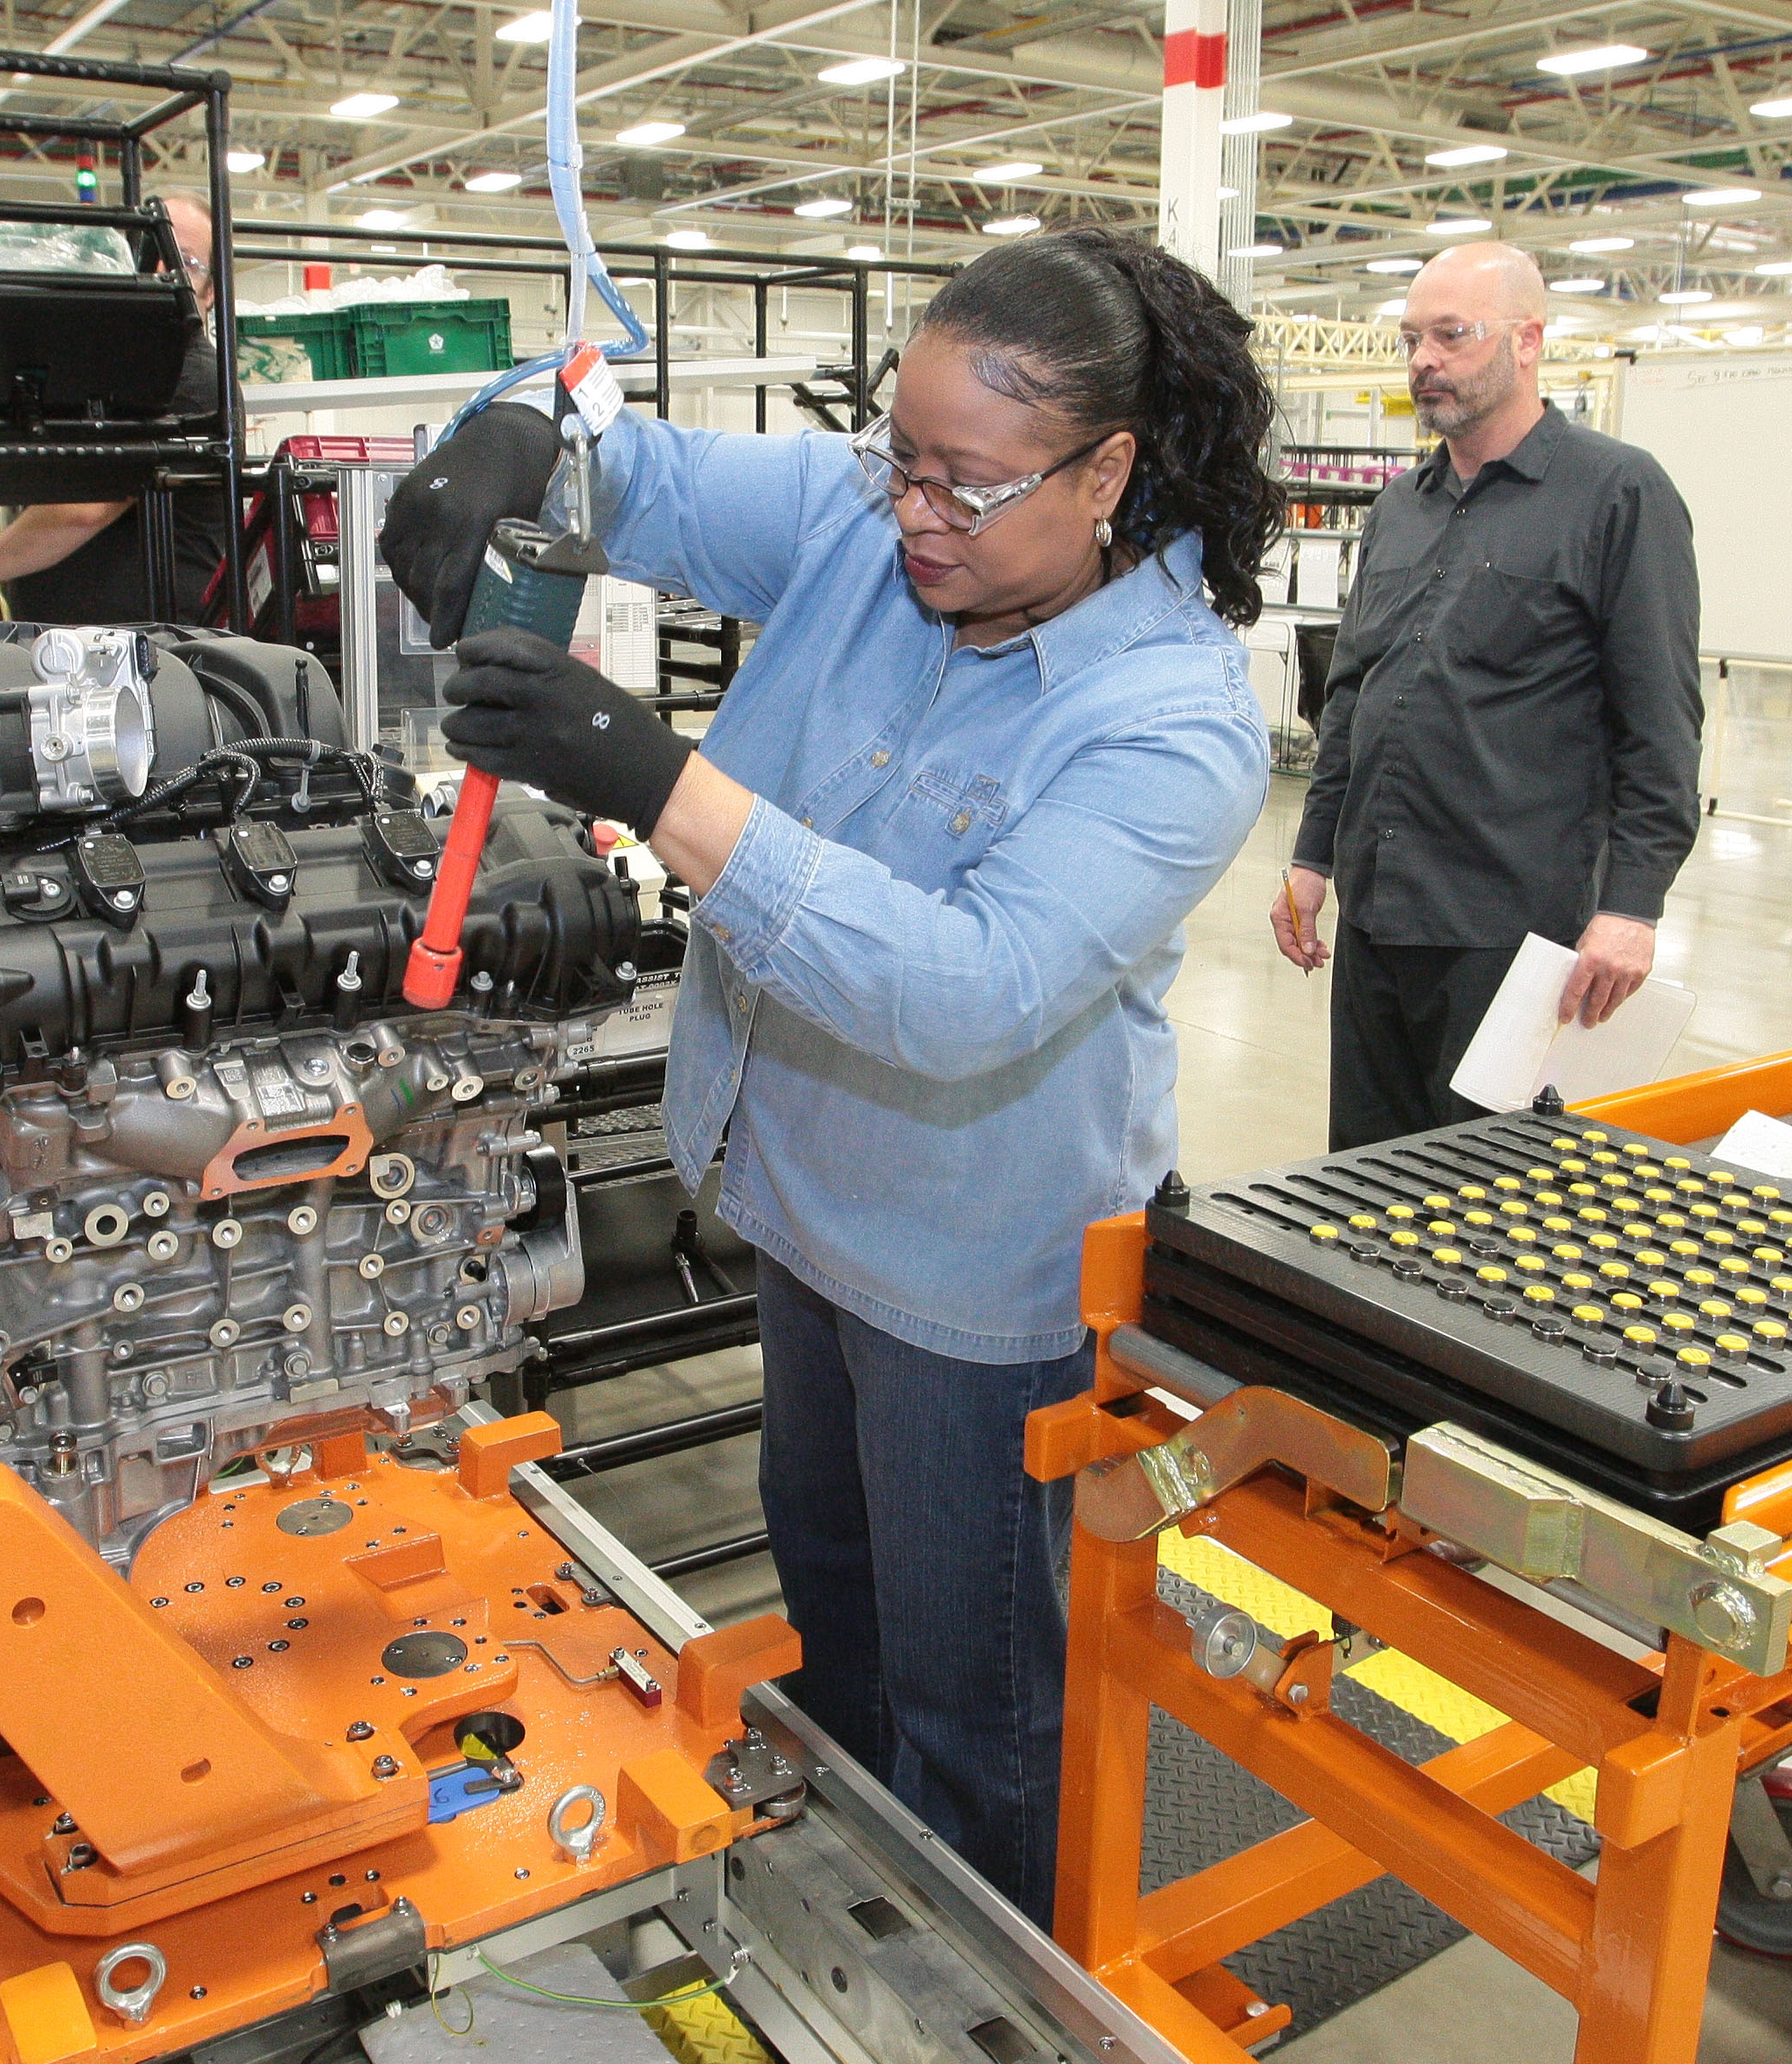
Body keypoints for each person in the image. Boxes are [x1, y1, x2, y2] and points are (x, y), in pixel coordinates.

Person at [379, 226, 1278, 1926]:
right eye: (903, 460)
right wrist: (508, 447)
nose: (916, 511)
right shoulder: (878, 526)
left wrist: (651, 777)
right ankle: (877, 1916)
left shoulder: (1173, 723)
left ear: (1108, 473)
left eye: (970, 484)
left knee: (983, 1706)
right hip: (806, 1210)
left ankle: (1004, 1980)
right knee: (841, 1620)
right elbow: (620, 458)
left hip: (973, 1273)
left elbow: (968, 993)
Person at [1271, 241, 1701, 1152]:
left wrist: (1631, 907)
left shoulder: (1618, 493)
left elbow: (1660, 722)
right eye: (1412, 338)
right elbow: (1354, 694)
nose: (1425, 360)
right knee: (1366, 1182)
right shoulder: (1401, 506)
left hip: (1513, 933)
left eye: (1452, 335)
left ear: (1529, 339)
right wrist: (1313, 859)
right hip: (1380, 915)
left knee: (1490, 1197)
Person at [0, 190, 228, 625]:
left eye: (185, 262)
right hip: (93, 652)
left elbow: (86, 507)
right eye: (150, 251)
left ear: (209, 293)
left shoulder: (185, 378)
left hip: (151, 654)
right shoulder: (123, 371)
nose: (162, 272)